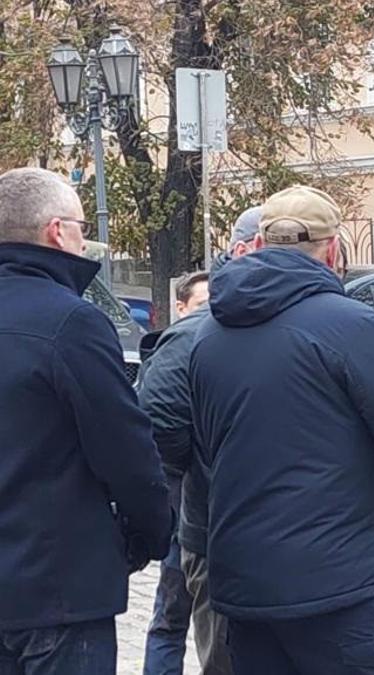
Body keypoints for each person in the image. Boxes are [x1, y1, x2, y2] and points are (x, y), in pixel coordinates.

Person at [189, 186, 374, 674]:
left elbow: (205, 451)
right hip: (343, 591)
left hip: (247, 589)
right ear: (333, 250)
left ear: (260, 244)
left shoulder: (208, 335)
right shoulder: (354, 327)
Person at [0, 167, 173, 674]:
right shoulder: (70, 320)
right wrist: (148, 533)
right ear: (58, 231)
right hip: (58, 585)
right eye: (82, 228)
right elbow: (124, 446)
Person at [138, 207, 262, 675]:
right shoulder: (190, 339)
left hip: (227, 525)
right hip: (203, 521)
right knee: (178, 622)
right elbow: (156, 432)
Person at [141, 270, 210, 675]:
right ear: (180, 308)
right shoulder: (170, 357)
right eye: (201, 306)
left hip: (206, 513)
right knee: (170, 617)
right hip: (181, 508)